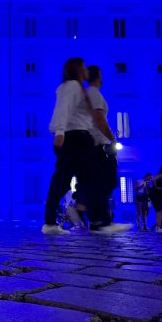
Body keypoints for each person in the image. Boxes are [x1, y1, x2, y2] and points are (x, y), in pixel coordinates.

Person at [42, 57, 93, 235]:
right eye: (84, 67)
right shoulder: (71, 86)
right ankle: (53, 220)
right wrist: (60, 133)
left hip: (80, 138)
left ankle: (87, 214)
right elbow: (61, 110)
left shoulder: (77, 88)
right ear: (78, 69)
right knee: (62, 181)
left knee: (73, 179)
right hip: (73, 139)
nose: (87, 70)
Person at [82, 65, 131, 234]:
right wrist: (112, 138)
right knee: (107, 181)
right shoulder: (94, 94)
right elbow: (99, 118)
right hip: (99, 144)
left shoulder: (87, 95)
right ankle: (102, 220)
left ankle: (97, 220)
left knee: (99, 182)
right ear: (98, 77)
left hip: (91, 145)